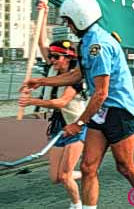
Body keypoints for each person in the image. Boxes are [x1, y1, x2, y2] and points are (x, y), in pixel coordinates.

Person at [21, 0, 134, 209]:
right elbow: (78, 75)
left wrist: (78, 123)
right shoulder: (86, 42)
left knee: (124, 166)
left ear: (80, 18)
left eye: (68, 21)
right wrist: (42, 81)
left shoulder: (98, 46)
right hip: (100, 111)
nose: (68, 26)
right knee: (87, 167)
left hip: (119, 112)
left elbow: (101, 92)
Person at [19, 36, 87, 209]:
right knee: (56, 178)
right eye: (50, 57)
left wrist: (32, 102)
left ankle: (76, 205)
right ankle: (85, 173)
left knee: (64, 176)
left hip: (76, 127)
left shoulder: (76, 77)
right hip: (58, 126)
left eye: (56, 57)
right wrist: (45, 10)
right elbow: (42, 43)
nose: (51, 60)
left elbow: (62, 102)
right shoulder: (52, 69)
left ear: (67, 57)